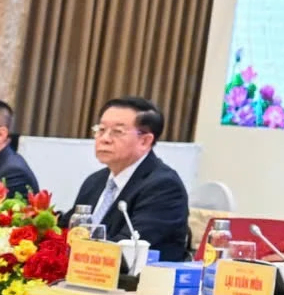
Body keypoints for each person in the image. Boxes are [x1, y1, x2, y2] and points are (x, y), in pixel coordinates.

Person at [68, 97, 192, 261]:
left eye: (117, 132)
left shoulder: (164, 187)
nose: (104, 139)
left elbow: (128, 250)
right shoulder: (95, 181)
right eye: (101, 129)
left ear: (144, 141)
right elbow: (67, 230)